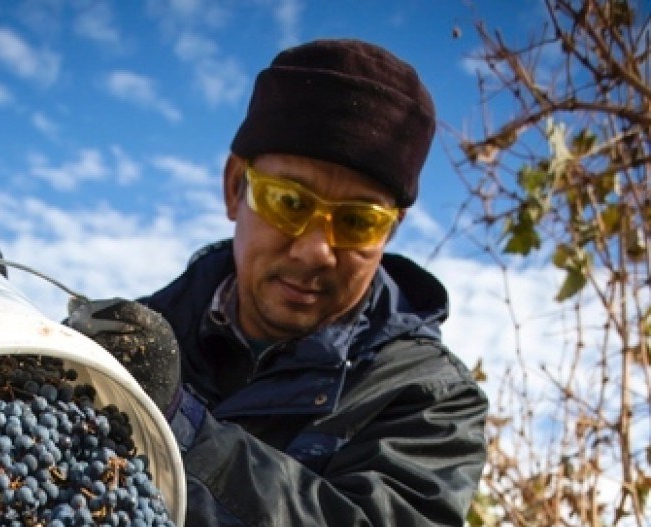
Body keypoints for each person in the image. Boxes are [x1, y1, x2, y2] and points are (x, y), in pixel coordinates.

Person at [66, 38, 488, 526]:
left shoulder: (428, 400)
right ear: (234, 188)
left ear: (389, 232)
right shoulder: (131, 343)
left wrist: (175, 426)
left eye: (357, 222)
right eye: (289, 202)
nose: (315, 250)